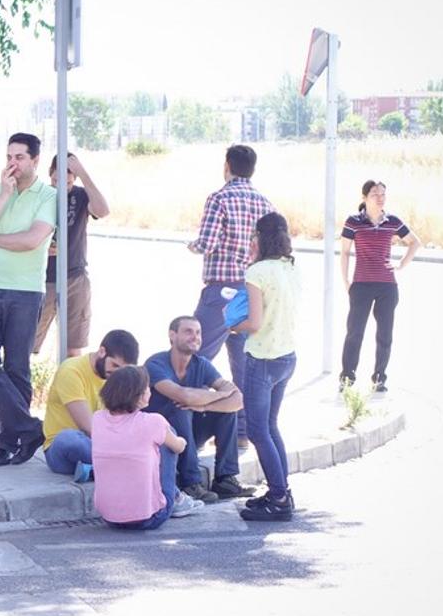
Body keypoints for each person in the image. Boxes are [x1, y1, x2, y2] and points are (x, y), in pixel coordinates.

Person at [0, 133, 58, 466]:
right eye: (9, 156)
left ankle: (8, 441)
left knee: (17, 367)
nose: (12, 163)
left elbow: (33, 240)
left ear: (35, 160)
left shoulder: (48, 195)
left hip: (26, 291)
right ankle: (30, 427)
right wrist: (4, 195)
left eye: (19, 157)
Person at [187, 144, 274, 446]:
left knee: (194, 358)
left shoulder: (220, 198)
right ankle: (241, 433)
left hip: (221, 291)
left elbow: (207, 243)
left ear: (227, 166)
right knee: (243, 364)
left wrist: (193, 244)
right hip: (251, 290)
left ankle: (190, 432)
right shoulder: (265, 203)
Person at [234, 212, 301, 523]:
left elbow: (255, 323)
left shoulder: (257, 271)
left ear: (259, 237)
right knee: (272, 427)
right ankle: (281, 492)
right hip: (287, 357)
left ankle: (278, 497)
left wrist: (234, 327)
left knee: (259, 430)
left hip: (262, 359)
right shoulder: (291, 267)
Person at [144, 316, 253, 504]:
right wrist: (218, 395)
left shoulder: (201, 363)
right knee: (180, 409)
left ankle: (225, 480)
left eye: (198, 332)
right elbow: (182, 396)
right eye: (188, 331)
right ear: (172, 335)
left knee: (227, 412)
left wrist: (204, 405)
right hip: (162, 437)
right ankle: (191, 482)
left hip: (190, 435)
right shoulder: (155, 364)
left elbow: (238, 399)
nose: (195, 337)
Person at [91, 366, 204, 529]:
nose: (150, 392)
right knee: (167, 436)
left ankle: (171, 495)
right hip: (150, 518)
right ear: (138, 396)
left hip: (109, 518)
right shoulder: (153, 422)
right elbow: (179, 447)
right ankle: (176, 498)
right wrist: (182, 440)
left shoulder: (97, 419)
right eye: (147, 388)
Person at [339, 180, 421, 393]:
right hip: (361, 285)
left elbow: (415, 242)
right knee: (354, 332)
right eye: (375, 193)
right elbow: (345, 252)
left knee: (385, 334)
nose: (380, 197)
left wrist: (401, 264)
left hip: (387, 287)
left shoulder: (392, 221)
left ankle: (379, 379)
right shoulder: (353, 222)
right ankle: (347, 378)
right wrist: (346, 281)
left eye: (383, 193)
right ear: (365, 197)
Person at [33, 152, 109, 356]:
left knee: (73, 347)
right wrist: (40, 246)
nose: (60, 186)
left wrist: (84, 174)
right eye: (56, 180)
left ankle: (68, 386)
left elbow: (102, 211)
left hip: (74, 276)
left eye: (66, 182)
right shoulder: (40, 196)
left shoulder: (81, 195)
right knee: (29, 343)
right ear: (50, 175)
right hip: (43, 278)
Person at [42, 330, 140, 479]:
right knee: (70, 439)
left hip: (103, 446)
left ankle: (98, 470)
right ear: (102, 352)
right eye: (115, 365)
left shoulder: (118, 378)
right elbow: (90, 427)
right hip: (64, 450)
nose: (117, 373)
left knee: (164, 430)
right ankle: (126, 466)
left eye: (123, 370)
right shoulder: (71, 370)